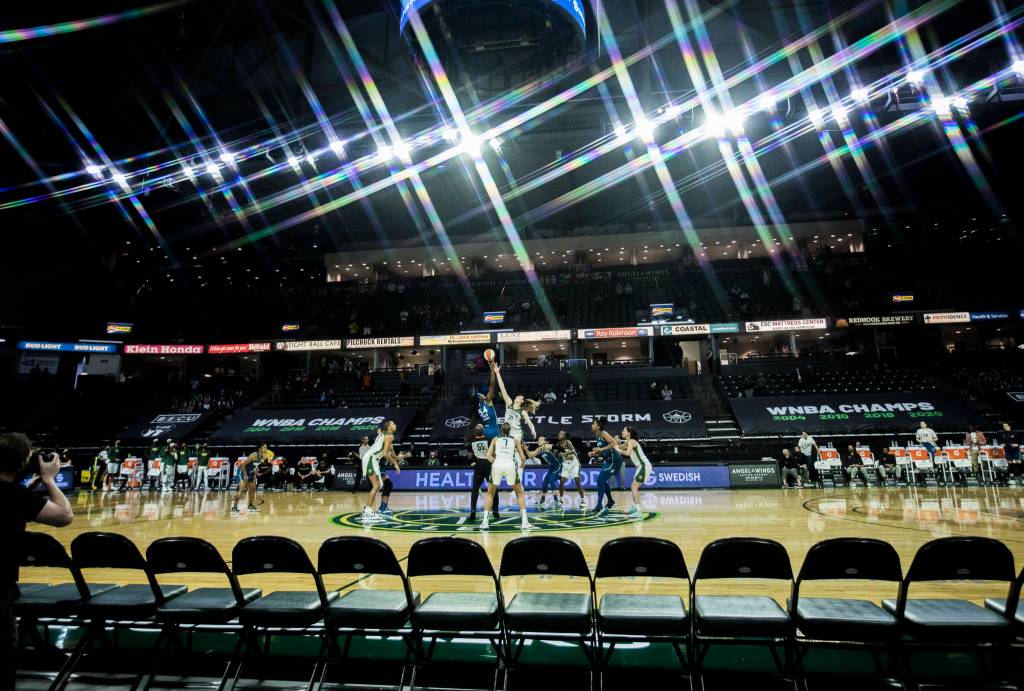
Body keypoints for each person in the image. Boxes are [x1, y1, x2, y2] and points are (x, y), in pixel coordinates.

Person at [1, 434, 74, 689]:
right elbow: (64, 515)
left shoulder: (17, 493)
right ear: (24, 461)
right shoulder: (14, 496)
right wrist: (49, 479)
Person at [480, 423, 531, 531]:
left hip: (497, 465)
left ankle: (485, 522)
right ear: (510, 430)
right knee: (519, 493)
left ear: (501, 430)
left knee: (490, 494)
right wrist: (521, 467)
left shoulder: (495, 439)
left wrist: (496, 462)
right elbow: (523, 457)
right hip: (510, 465)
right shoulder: (515, 440)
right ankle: (525, 522)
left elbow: (488, 456)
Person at [362, 421, 402, 521]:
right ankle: (367, 510)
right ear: (389, 427)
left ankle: (368, 510)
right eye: (393, 424)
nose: (396, 425)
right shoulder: (389, 436)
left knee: (378, 485)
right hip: (371, 458)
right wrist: (395, 464)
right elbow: (385, 454)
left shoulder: (383, 433)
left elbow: (380, 431)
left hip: (373, 459)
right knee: (376, 486)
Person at [492, 363, 539, 441]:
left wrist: (533, 430)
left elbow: (530, 423)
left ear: (521, 401)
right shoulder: (509, 403)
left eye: (519, 396)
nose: (516, 396)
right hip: (506, 433)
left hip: (516, 435)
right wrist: (497, 373)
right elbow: (502, 388)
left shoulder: (522, 411)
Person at [588, 417, 624, 513]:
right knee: (602, 481)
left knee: (600, 479)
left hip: (614, 460)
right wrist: (594, 453)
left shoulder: (604, 433)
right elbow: (603, 450)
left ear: (598, 426)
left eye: (594, 424)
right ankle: (611, 501)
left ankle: (599, 505)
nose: (592, 425)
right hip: (609, 460)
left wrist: (600, 449)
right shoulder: (597, 436)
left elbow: (614, 443)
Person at [468, 425, 500, 522]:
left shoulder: (472, 441)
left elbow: (469, 456)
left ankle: (473, 510)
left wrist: (474, 460)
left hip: (478, 464)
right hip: (488, 464)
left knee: (475, 489)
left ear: (475, 432)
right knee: (493, 488)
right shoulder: (489, 439)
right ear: (483, 431)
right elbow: (493, 453)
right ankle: (495, 510)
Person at [619, 427, 652, 517]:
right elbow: (620, 447)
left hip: (643, 466)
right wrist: (615, 443)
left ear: (628, 433)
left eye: (624, 430)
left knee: (634, 486)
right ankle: (634, 507)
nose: (622, 431)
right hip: (641, 466)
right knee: (633, 486)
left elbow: (627, 453)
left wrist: (618, 450)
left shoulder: (631, 441)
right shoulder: (628, 442)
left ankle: (638, 511)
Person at [232, 442, 269, 514]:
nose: (266, 449)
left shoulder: (262, 457)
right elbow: (243, 465)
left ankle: (250, 505)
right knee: (242, 488)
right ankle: (234, 507)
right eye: (264, 447)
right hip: (242, 472)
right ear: (259, 449)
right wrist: (245, 475)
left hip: (250, 473)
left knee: (253, 488)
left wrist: (256, 475)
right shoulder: (254, 455)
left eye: (266, 447)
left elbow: (255, 466)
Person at [557, 431, 587, 508]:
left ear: (564, 436)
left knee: (577, 479)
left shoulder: (568, 442)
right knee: (562, 481)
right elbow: (557, 454)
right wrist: (558, 454)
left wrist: (563, 454)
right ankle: (561, 499)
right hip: (566, 464)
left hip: (574, 463)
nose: (559, 434)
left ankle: (583, 500)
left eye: (561, 434)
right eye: (559, 433)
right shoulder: (558, 444)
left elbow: (573, 451)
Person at [532, 437, 562, 508]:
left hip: (558, 464)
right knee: (545, 481)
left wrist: (558, 452)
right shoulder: (539, 449)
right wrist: (526, 449)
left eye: (541, 439)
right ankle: (542, 500)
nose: (539, 441)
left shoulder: (547, 446)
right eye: (538, 440)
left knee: (551, 480)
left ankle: (556, 501)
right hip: (552, 466)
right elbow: (531, 455)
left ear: (545, 441)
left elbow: (557, 448)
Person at [475, 366, 501, 441]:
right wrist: (492, 372)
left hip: (485, 431)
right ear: (481, 398)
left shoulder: (479, 408)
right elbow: (492, 386)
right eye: (480, 394)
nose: (482, 394)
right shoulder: (487, 400)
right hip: (494, 430)